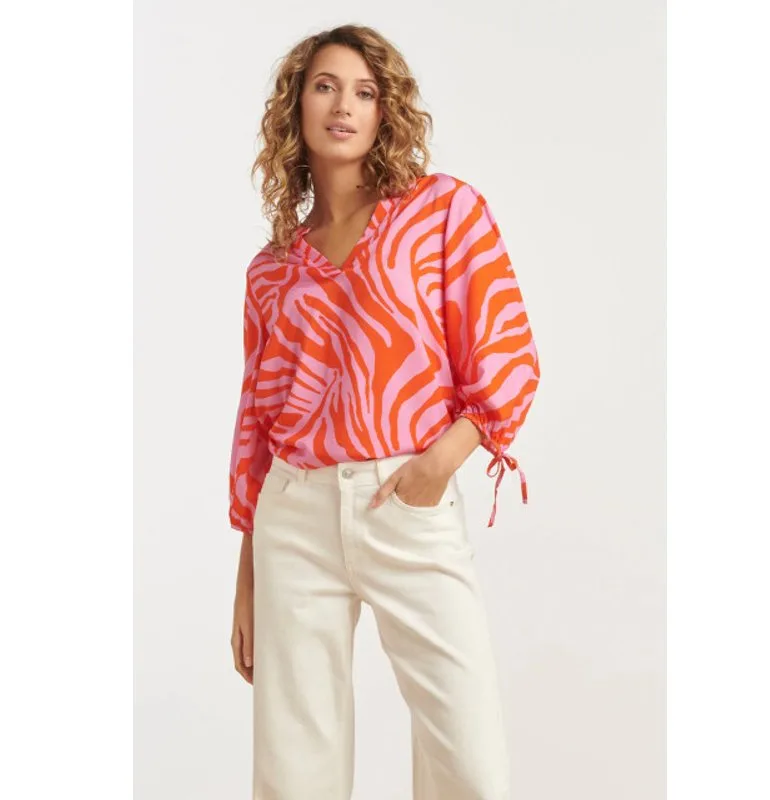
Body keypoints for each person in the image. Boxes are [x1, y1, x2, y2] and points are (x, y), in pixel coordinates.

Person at [228, 24, 541, 800]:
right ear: (296, 107)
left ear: (384, 111)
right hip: (293, 520)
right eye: (325, 87)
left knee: (471, 764)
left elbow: (507, 350)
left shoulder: (441, 212)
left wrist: (441, 462)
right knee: (294, 773)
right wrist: (247, 576)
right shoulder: (272, 270)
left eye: (364, 92)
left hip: (405, 499)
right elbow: (257, 423)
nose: (344, 106)